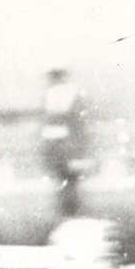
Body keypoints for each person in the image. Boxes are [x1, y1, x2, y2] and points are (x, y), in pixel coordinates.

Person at [40, 68, 91, 218]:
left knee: (70, 184)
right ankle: (68, 214)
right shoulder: (51, 97)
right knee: (64, 183)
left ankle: (71, 214)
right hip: (58, 149)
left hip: (68, 148)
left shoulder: (71, 97)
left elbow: (78, 126)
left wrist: (77, 151)